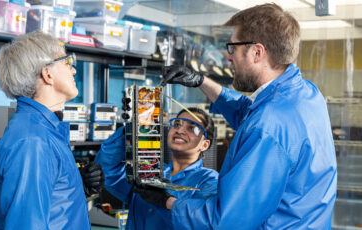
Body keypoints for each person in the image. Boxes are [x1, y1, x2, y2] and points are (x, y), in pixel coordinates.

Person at [133, 3, 337, 229]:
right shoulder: (304, 93)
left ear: (257, 52)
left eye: (233, 48)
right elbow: (247, 112)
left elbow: (225, 221)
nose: (229, 58)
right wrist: (201, 81)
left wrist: (167, 201)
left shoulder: (269, 125)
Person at [0, 31, 104, 230]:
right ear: (47, 73)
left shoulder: (43, 131)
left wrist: (75, 188)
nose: (74, 70)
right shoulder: (32, 141)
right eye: (67, 63)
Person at [95, 107, 219, 230]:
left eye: (192, 128)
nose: (180, 130)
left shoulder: (208, 180)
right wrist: (126, 133)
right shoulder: (149, 170)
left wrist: (166, 201)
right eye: (177, 124)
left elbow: (204, 222)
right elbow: (108, 171)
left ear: (205, 144)